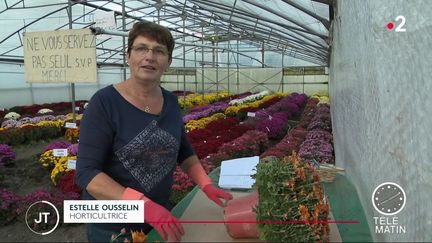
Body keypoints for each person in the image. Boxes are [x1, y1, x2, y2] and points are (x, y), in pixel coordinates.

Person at [76, 21, 233, 242]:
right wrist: (142, 204)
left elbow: (183, 150)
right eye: (141, 48)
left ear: (168, 62)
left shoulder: (170, 101)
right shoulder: (104, 103)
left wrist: (206, 184)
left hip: (159, 214)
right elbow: (87, 173)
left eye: (159, 51)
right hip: (113, 224)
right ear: (127, 56)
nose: (149, 56)